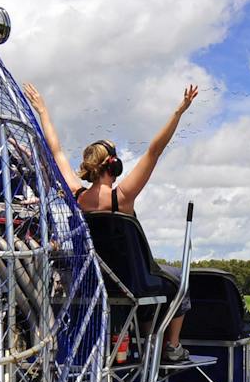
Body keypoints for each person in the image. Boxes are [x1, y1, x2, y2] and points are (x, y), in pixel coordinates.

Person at [23, 81, 199, 362]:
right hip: (134, 280)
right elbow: (155, 150)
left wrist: (43, 111)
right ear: (113, 165)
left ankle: (145, 341)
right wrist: (179, 112)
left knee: (152, 285)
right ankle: (171, 347)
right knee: (179, 281)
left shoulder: (77, 196)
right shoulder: (123, 198)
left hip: (96, 281)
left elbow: (55, 152)